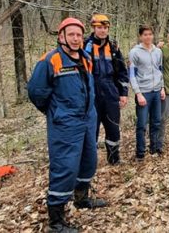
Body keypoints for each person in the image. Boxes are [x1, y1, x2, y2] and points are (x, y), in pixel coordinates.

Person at [28, 17, 106, 233]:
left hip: (87, 119)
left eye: (79, 35)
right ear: (61, 36)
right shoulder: (50, 60)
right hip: (65, 123)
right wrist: (55, 111)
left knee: (88, 160)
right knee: (65, 167)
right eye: (71, 34)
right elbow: (36, 92)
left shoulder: (85, 57)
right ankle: (56, 221)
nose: (75, 38)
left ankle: (82, 198)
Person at [83, 13, 128, 164]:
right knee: (91, 131)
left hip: (110, 93)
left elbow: (122, 72)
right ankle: (90, 163)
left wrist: (123, 94)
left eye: (105, 28)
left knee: (113, 128)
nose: (102, 31)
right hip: (92, 95)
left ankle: (114, 159)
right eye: (99, 28)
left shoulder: (113, 47)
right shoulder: (84, 46)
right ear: (93, 28)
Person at [129, 25, 165, 161]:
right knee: (142, 124)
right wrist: (138, 94)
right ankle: (140, 152)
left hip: (156, 91)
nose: (148, 37)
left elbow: (160, 70)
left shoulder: (158, 52)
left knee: (156, 122)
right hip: (143, 92)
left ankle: (154, 147)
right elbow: (132, 75)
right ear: (140, 36)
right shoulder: (135, 52)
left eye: (150, 34)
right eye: (145, 34)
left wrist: (162, 88)